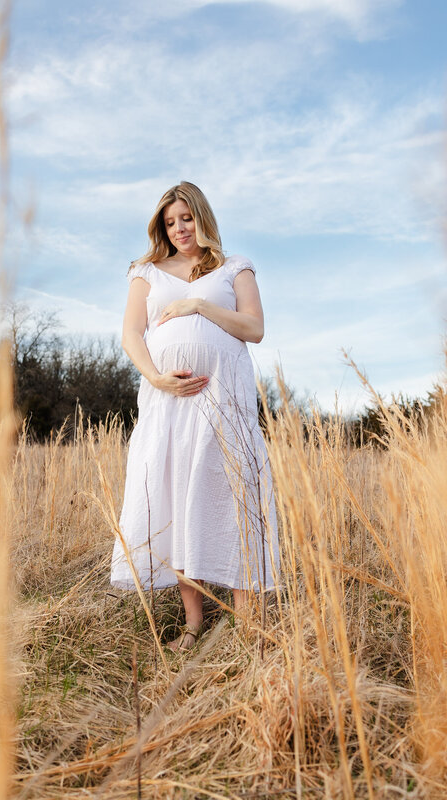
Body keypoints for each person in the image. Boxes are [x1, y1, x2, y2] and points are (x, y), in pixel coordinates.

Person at [110, 181, 280, 653]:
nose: (179, 228)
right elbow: (131, 334)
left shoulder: (234, 268)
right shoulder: (146, 272)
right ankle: (193, 622)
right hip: (169, 406)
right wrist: (157, 377)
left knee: (232, 497)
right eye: (170, 222)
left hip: (226, 401)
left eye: (186, 218)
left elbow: (255, 328)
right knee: (179, 498)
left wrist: (198, 305)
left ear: (201, 217)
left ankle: (250, 625)